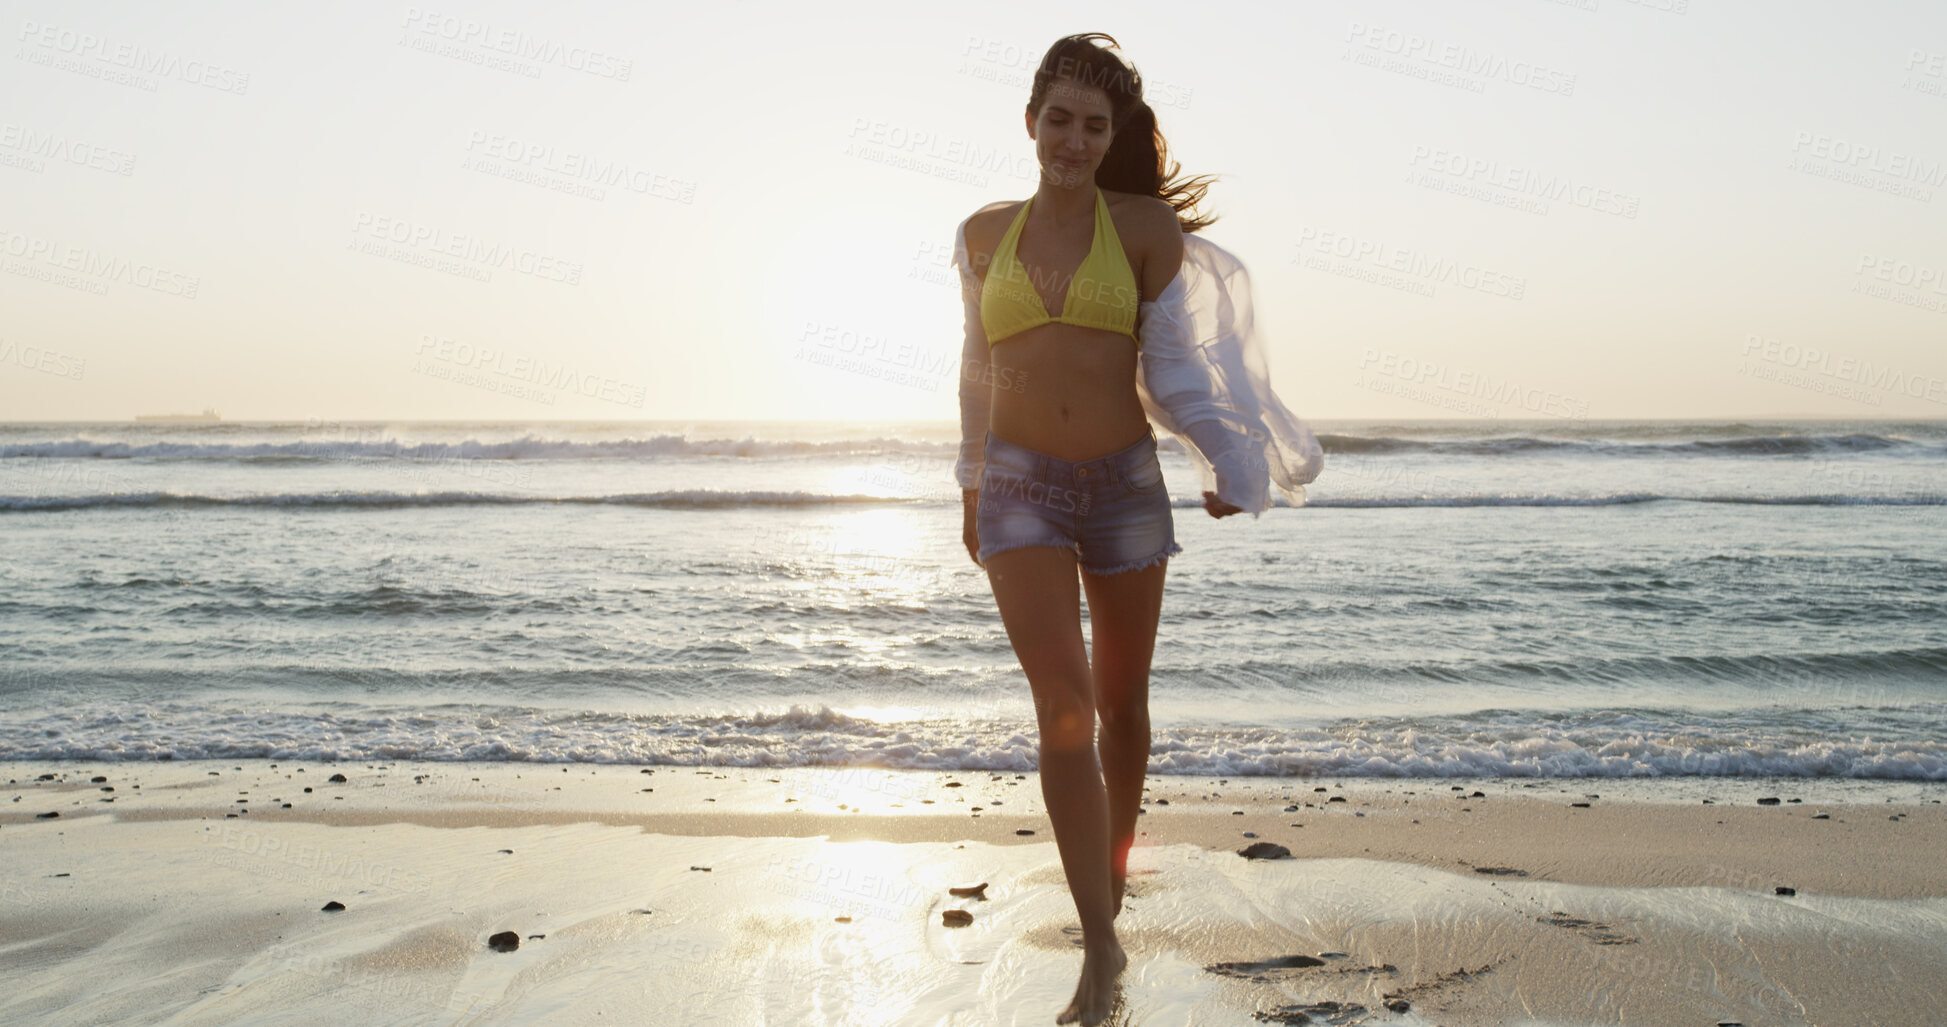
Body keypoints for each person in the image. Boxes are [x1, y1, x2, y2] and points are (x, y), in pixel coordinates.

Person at [949, 32, 1324, 1026]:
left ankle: (1108, 883)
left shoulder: (1146, 229)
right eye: (1059, 119)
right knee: (1064, 710)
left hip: (1121, 485)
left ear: (1113, 136)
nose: (1074, 138)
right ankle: (1101, 947)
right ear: (1031, 122)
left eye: (1094, 124)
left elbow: (1180, 370)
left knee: (1124, 709)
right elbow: (977, 367)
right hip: (1021, 487)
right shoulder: (984, 233)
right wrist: (971, 484)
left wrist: (1233, 463)